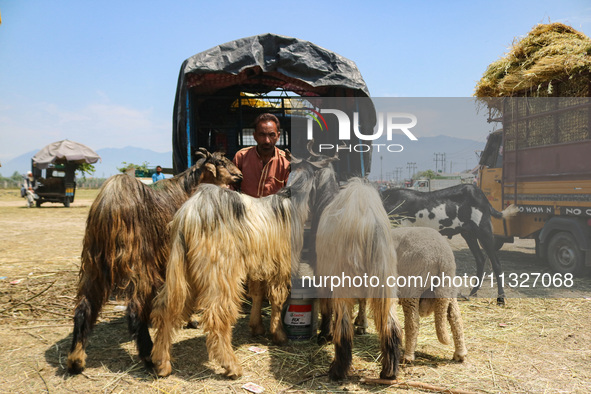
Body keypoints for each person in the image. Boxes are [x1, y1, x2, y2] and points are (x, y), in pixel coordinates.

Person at [233, 113, 290, 198]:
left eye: (271, 135)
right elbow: (231, 186)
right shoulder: (241, 157)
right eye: (262, 135)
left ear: (278, 136)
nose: (267, 141)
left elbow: (291, 192)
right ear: (254, 136)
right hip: (247, 209)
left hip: (273, 210)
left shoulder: (286, 161)